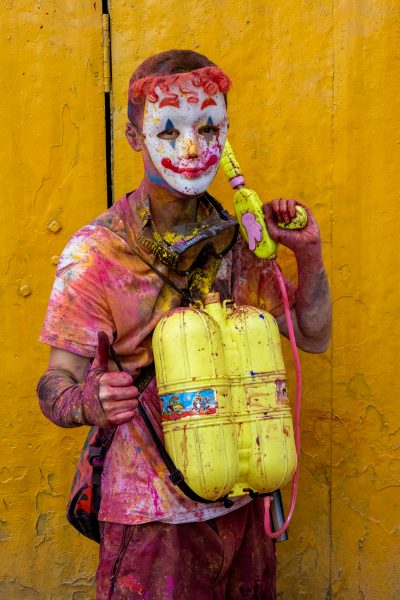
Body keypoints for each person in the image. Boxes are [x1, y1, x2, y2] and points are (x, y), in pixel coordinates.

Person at [37, 50, 331, 600]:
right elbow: (53, 385)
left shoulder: (242, 242)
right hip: (151, 520)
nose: (192, 148)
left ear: (226, 129)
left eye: (208, 127)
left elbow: (313, 338)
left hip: (245, 508)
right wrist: (88, 402)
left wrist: (308, 255)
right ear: (133, 136)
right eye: (168, 129)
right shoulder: (97, 253)